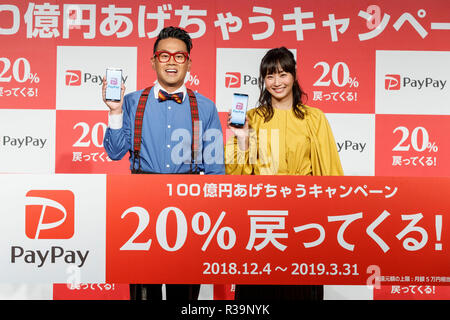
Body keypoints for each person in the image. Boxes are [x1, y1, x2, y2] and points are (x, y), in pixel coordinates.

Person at [102, 26, 225, 300]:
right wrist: (115, 111)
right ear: (153, 61)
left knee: (185, 297)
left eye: (179, 56)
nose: (171, 61)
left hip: (189, 212)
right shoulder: (131, 102)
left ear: (189, 63)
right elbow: (114, 151)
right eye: (164, 55)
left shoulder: (205, 107)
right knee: (144, 293)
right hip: (141, 212)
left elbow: (216, 169)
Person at [225, 47, 343, 300]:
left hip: (304, 218)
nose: (276, 82)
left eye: (282, 74)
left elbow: (330, 172)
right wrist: (243, 139)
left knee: (299, 288)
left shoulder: (315, 118)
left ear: (294, 75)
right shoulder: (251, 118)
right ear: (263, 81)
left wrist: (333, 219)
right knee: (258, 291)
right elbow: (235, 176)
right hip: (261, 217)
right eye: (270, 76)